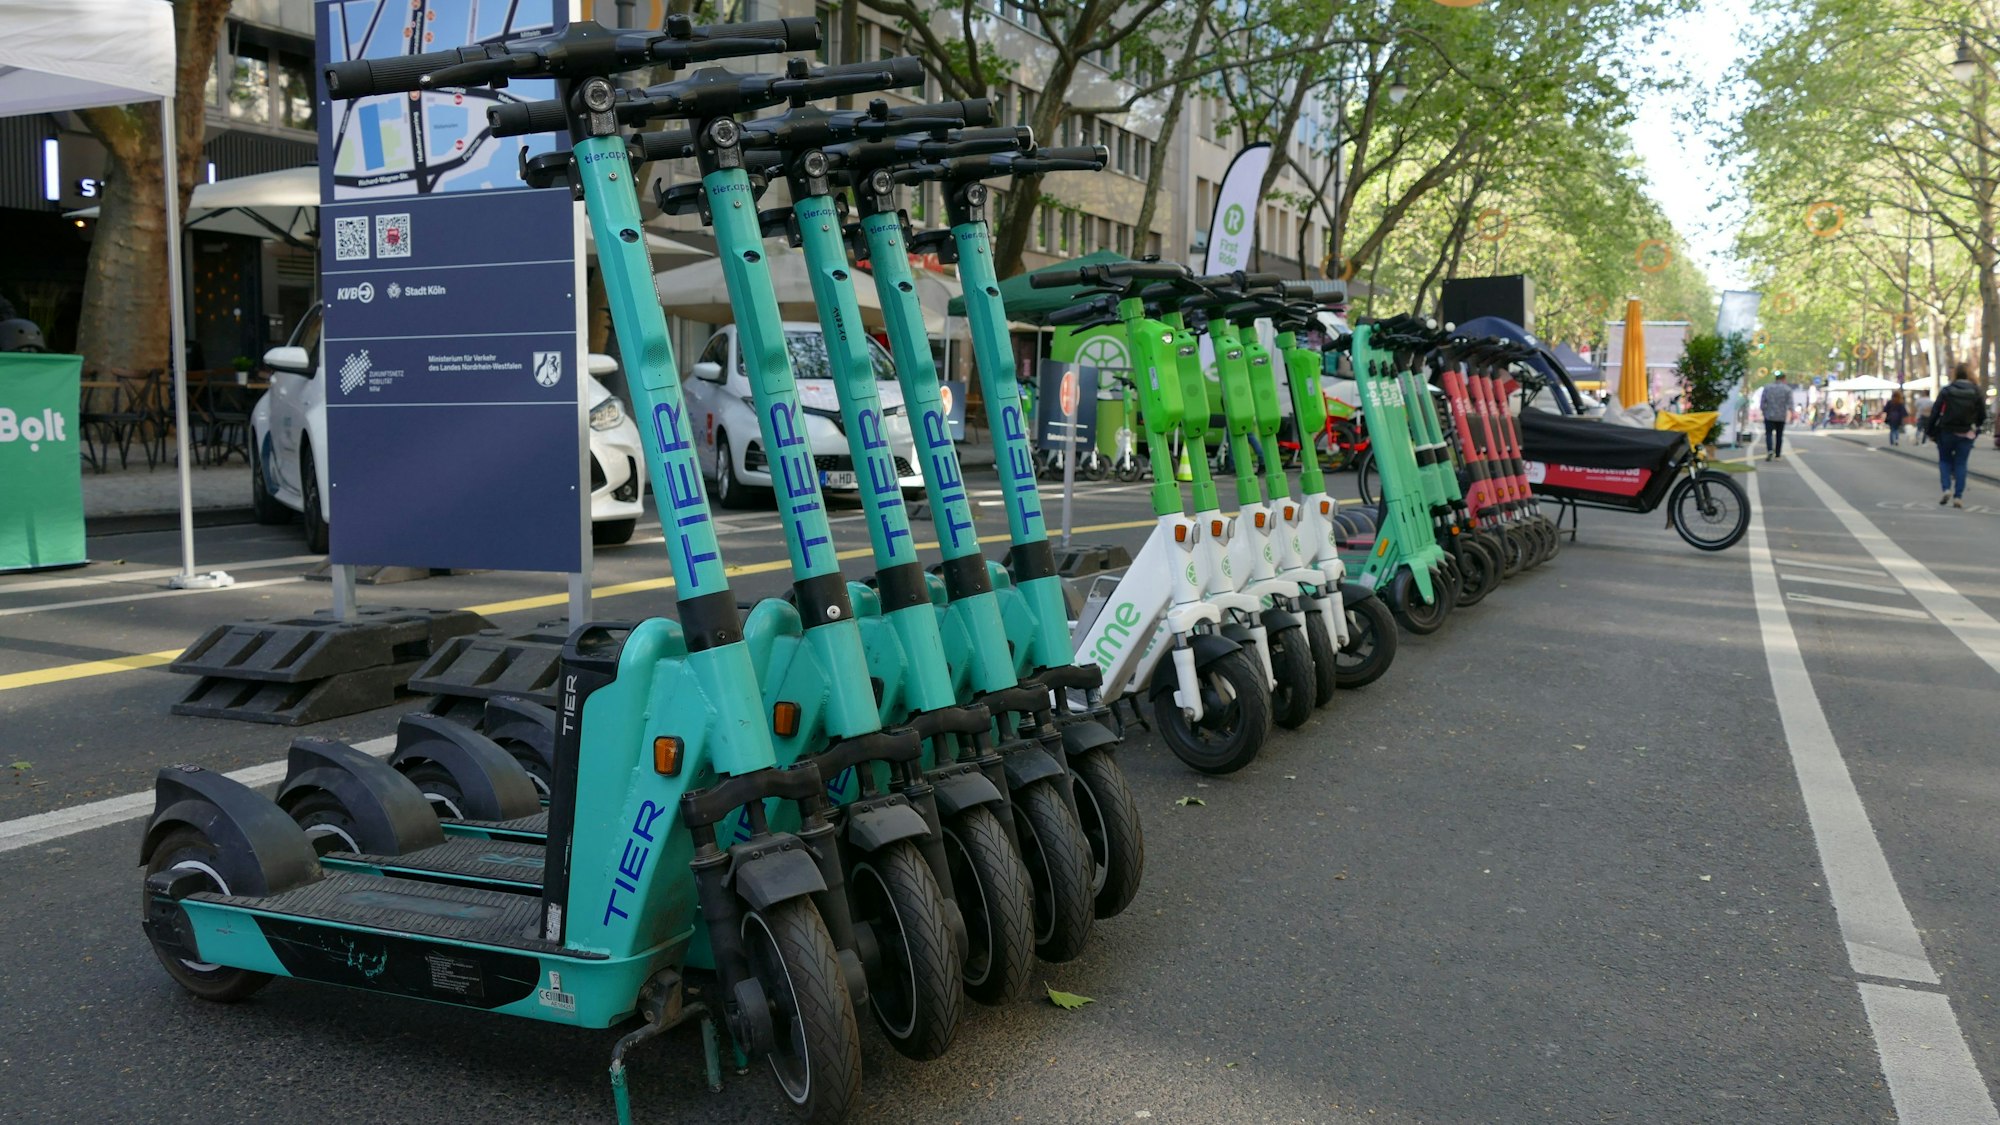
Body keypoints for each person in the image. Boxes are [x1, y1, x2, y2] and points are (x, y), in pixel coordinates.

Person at [1927, 364, 1988, 507]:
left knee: (1944, 461)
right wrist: (1976, 428)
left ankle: (1946, 488)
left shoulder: (1947, 390)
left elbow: (1935, 412)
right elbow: (1982, 415)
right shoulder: (1976, 391)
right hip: (1966, 433)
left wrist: (1929, 431)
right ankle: (1958, 496)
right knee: (1961, 463)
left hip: (1946, 431)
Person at [1758, 373, 1797, 460]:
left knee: (1768, 434)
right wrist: (1792, 412)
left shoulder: (1767, 387)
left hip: (1769, 415)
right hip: (1781, 416)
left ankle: (1770, 450)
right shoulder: (1787, 389)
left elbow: (1763, 400)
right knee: (1779, 435)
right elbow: (1790, 403)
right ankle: (1778, 454)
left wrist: (1763, 410)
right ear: (1784, 379)